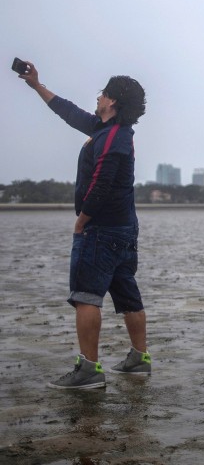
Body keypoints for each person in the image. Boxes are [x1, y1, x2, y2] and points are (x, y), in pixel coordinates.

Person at [17, 61, 152, 389]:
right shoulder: (107, 130)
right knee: (126, 292)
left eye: (103, 93)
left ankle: (89, 370)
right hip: (123, 229)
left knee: (86, 297)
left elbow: (102, 182)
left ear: (112, 102)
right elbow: (69, 112)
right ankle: (139, 359)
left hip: (102, 230)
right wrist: (37, 85)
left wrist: (82, 220)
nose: (98, 97)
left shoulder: (112, 136)